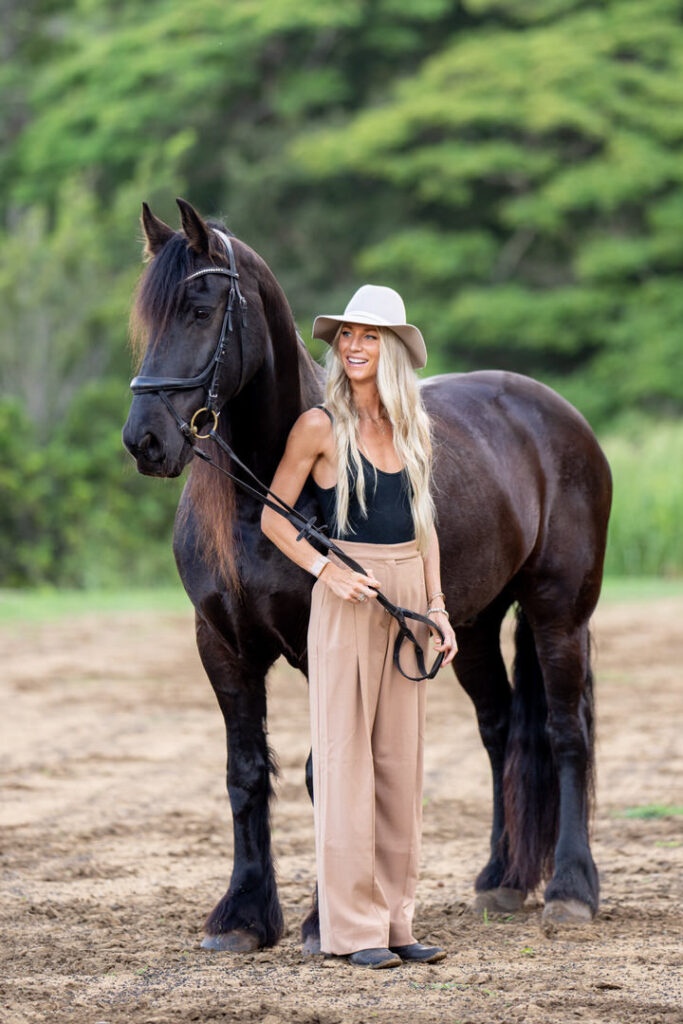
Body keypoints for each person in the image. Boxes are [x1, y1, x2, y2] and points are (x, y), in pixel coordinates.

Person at [261, 284, 457, 969]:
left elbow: (424, 525)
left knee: (398, 766)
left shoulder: (412, 426)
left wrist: (435, 607)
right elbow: (273, 516)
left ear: (395, 348)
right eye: (345, 335)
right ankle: (352, 930)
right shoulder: (318, 426)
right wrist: (324, 570)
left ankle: (397, 921)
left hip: (407, 595)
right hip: (346, 598)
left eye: (368, 336)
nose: (353, 346)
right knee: (345, 765)